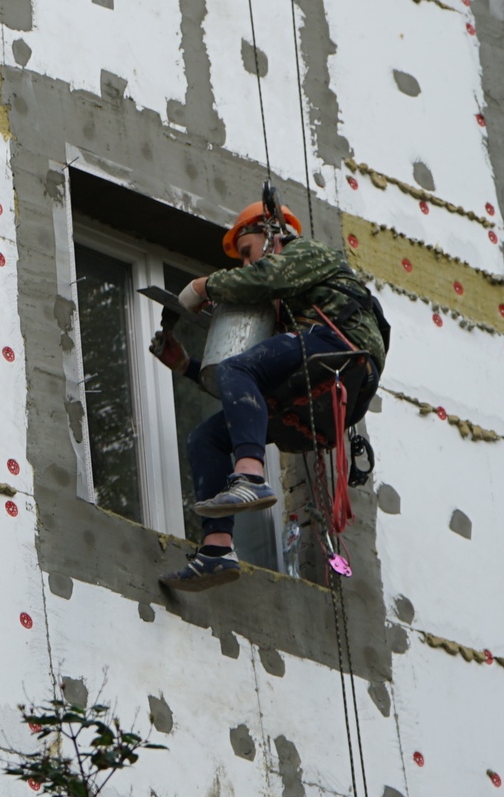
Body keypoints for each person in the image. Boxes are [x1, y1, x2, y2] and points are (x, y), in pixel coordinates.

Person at [156, 200, 387, 591]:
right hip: (309, 372)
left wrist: (204, 286)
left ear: (271, 232)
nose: (247, 265)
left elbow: (263, 281)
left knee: (238, 368)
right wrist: (187, 367)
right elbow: (243, 390)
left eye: (247, 253)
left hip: (340, 344)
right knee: (206, 438)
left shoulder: (304, 252)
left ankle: (250, 474)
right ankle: (217, 550)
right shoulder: (284, 308)